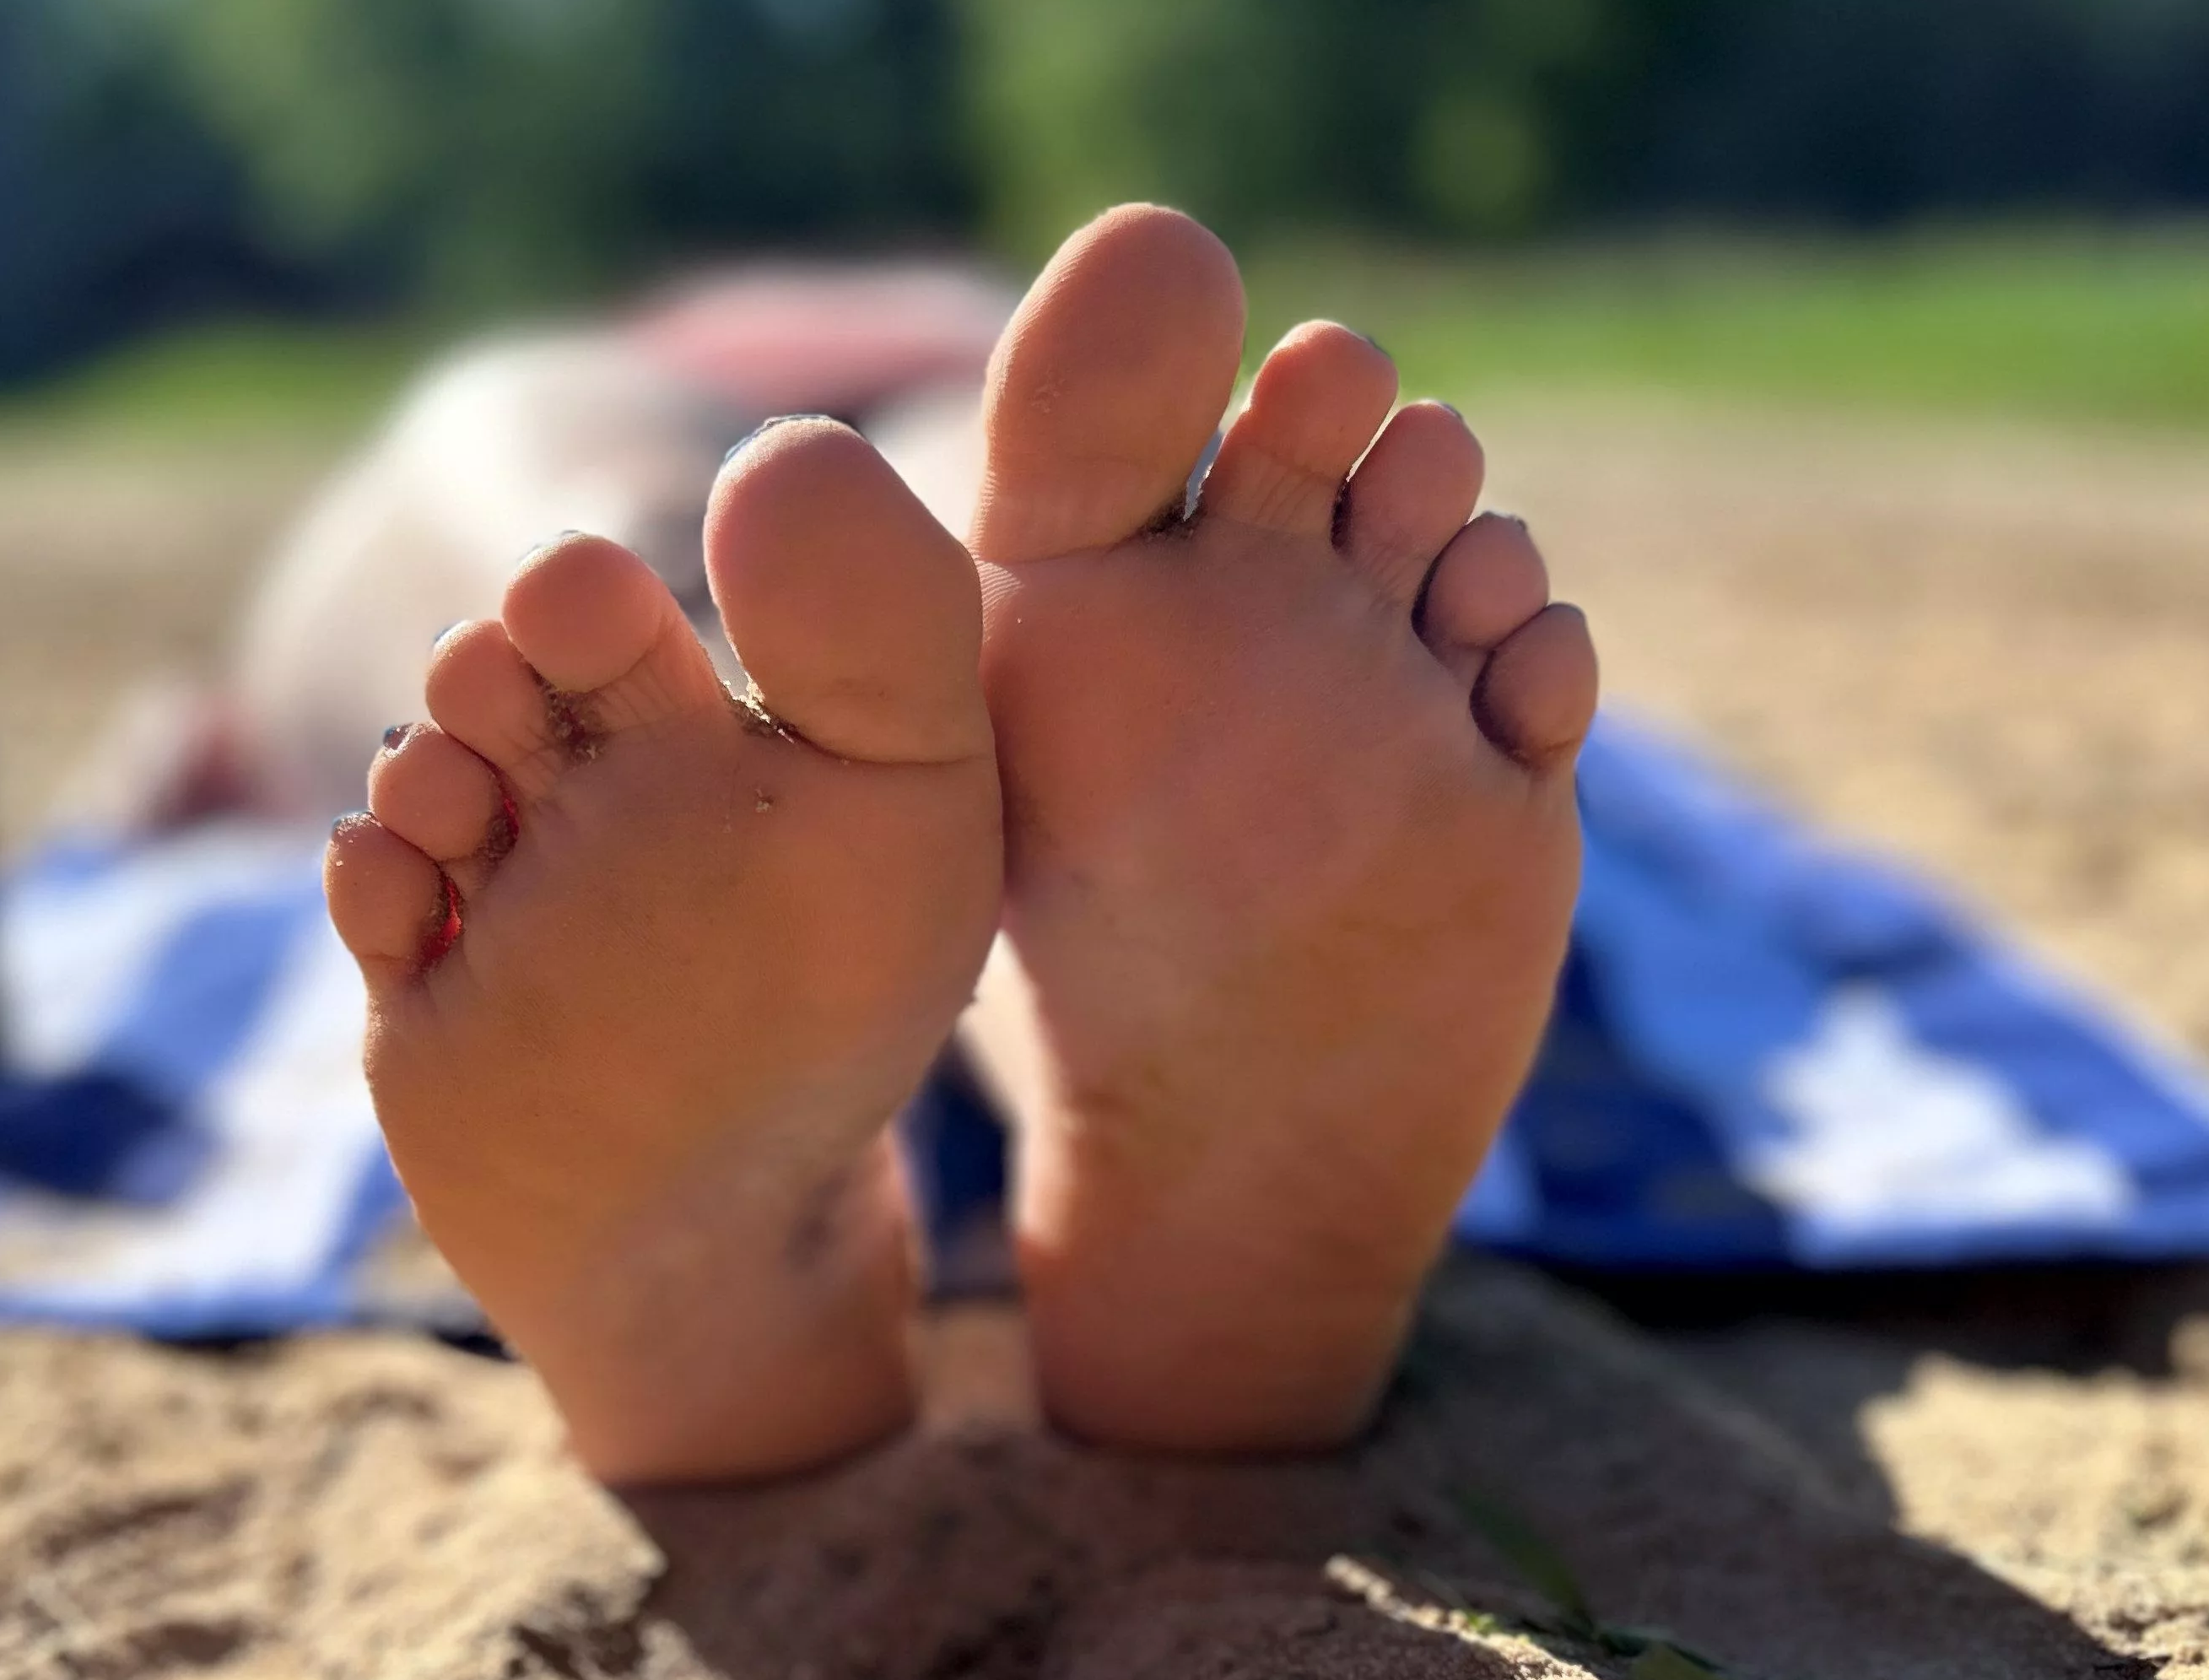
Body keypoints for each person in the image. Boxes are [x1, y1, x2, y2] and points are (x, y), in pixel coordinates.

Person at [301, 204, 1595, 1485]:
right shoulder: (952, 324)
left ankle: (688, 673)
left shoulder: (645, 342)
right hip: (983, 419)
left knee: (526, 453)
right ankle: (1114, 1075)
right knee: (1023, 542)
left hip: (892, 425)